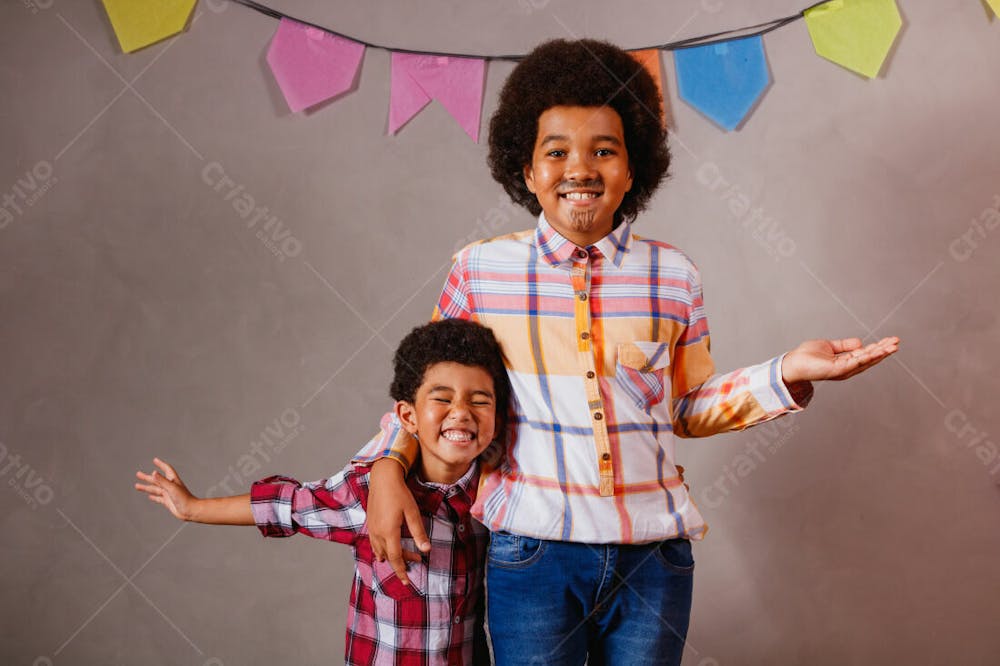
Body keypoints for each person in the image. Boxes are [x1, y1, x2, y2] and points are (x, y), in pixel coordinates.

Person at [355, 39, 900, 666]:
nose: (580, 168)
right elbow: (431, 398)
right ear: (527, 172)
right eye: (555, 152)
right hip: (531, 553)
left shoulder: (673, 275)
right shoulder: (479, 271)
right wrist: (388, 467)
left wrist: (786, 374)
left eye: (603, 150)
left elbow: (689, 407)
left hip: (655, 558)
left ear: (632, 167)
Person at [134, 319, 510, 666]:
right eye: (442, 399)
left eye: (479, 401)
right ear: (407, 417)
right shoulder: (366, 493)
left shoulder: (495, 496)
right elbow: (287, 506)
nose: (461, 412)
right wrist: (193, 508)